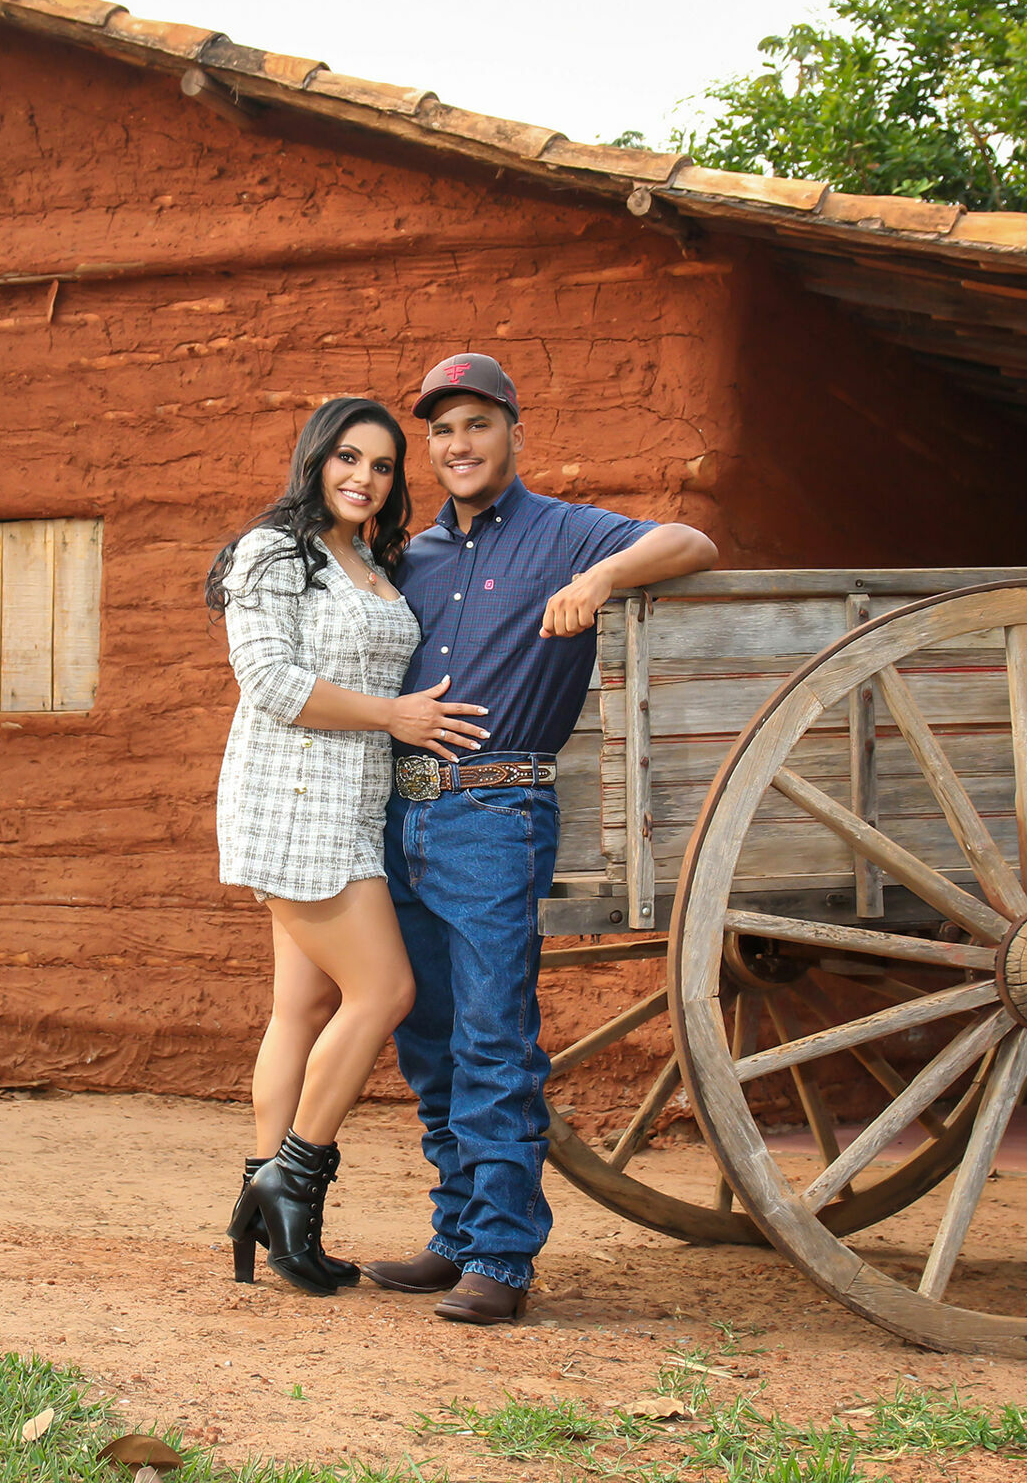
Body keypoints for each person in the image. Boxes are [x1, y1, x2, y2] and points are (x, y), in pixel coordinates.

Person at [362, 354, 719, 1324]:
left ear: (514, 432)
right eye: (441, 431)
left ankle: (505, 1259)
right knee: (427, 1035)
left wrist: (600, 579)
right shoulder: (410, 556)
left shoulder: (566, 531)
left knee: (491, 1035)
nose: (459, 445)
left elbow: (693, 541)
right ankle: (457, 1233)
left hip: (496, 813)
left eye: (477, 424)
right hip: (403, 814)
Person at [207, 396, 492, 1296]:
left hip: (356, 802)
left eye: (380, 466)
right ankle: (294, 1178)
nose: (363, 478)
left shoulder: (366, 558)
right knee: (387, 989)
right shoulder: (273, 551)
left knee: (300, 1006)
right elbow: (269, 681)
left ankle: (267, 1204)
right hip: (294, 799)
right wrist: (395, 716)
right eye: (348, 458)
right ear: (314, 459)